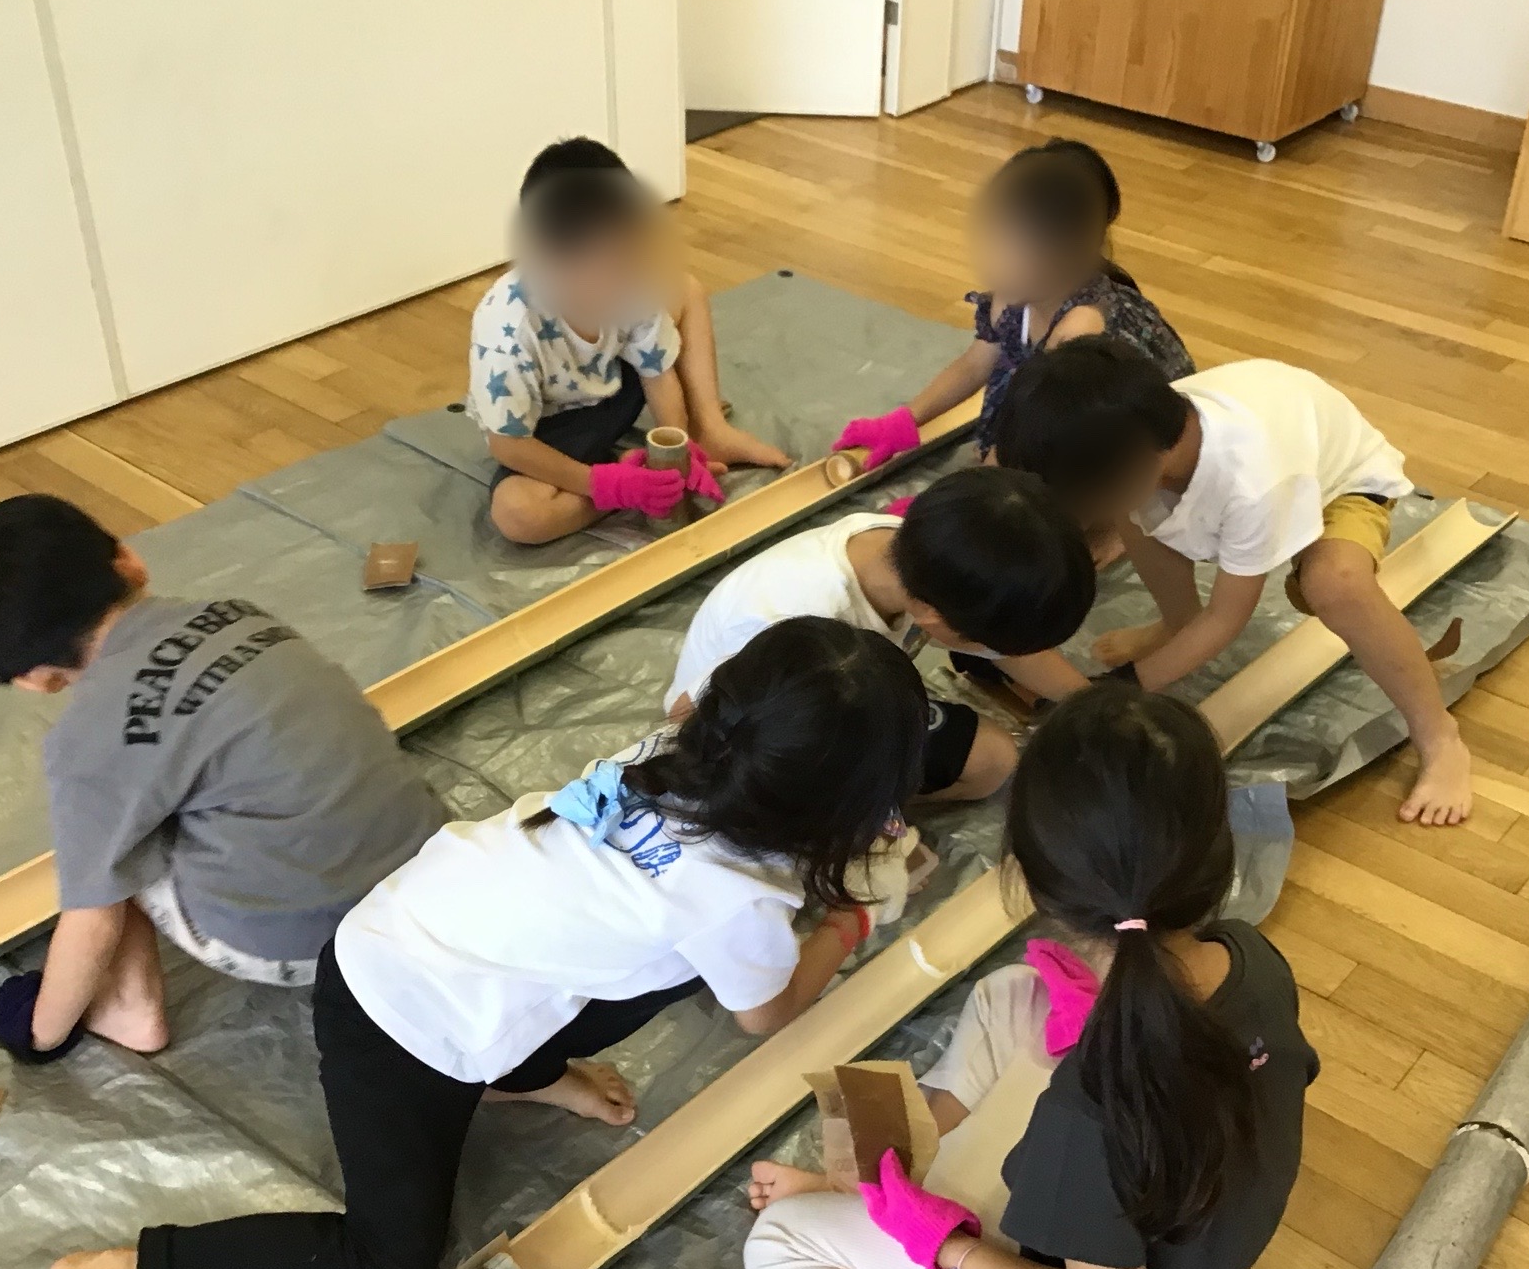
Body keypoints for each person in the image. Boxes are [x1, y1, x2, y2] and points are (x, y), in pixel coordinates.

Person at [45, 617, 930, 1269]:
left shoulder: (678, 750)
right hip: (394, 1021)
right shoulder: (740, 901)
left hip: (412, 931)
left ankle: (516, 1073)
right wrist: (850, 921)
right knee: (387, 1266)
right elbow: (766, 1012)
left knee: (628, 974)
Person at [744, 683, 1318, 1269]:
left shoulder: (1087, 1114)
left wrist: (947, 1247)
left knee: (777, 1242)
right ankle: (891, 1184)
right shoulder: (1250, 955)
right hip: (1186, 1228)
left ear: (1030, 882)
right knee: (1012, 993)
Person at [0, 495, 446, 1061]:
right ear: (129, 561)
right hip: (437, 875)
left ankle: (130, 1010)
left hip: (309, 946)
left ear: (34, 679)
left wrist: (40, 1032)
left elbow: (93, 916)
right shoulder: (239, 613)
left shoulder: (87, 743)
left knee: (114, 840)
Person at [995, 338, 1473, 826]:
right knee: (1132, 513)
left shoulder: (1253, 481)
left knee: (1334, 585)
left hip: (1341, 482)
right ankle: (1177, 623)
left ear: (1139, 462)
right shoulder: (1140, 431)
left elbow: (1227, 618)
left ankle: (1439, 735)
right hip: (1275, 431)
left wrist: (1120, 689)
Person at [664, 467, 1097, 803]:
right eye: (990, 642)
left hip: (842, 697)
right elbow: (691, 723)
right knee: (984, 766)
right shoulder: (789, 626)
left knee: (992, 761)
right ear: (932, 617)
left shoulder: (919, 548)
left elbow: (1011, 647)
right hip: (763, 735)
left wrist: (1093, 706)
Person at [470, 137, 790, 545]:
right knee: (519, 515)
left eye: (631, 254)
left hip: (612, 389)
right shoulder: (508, 329)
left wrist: (676, 447)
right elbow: (508, 445)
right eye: (610, 265)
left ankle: (710, 429)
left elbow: (657, 372)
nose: (628, 274)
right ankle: (627, 481)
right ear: (549, 258)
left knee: (685, 289)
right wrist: (612, 487)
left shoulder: (628, 280)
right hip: (548, 432)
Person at [831, 138, 1192, 470]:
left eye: (1019, 252)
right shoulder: (1014, 293)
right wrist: (904, 421)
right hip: (1054, 419)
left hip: (1129, 447)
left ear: (1071, 253)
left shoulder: (1080, 329)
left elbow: (1038, 435)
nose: (997, 263)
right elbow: (974, 364)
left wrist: (974, 498)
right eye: (996, 243)